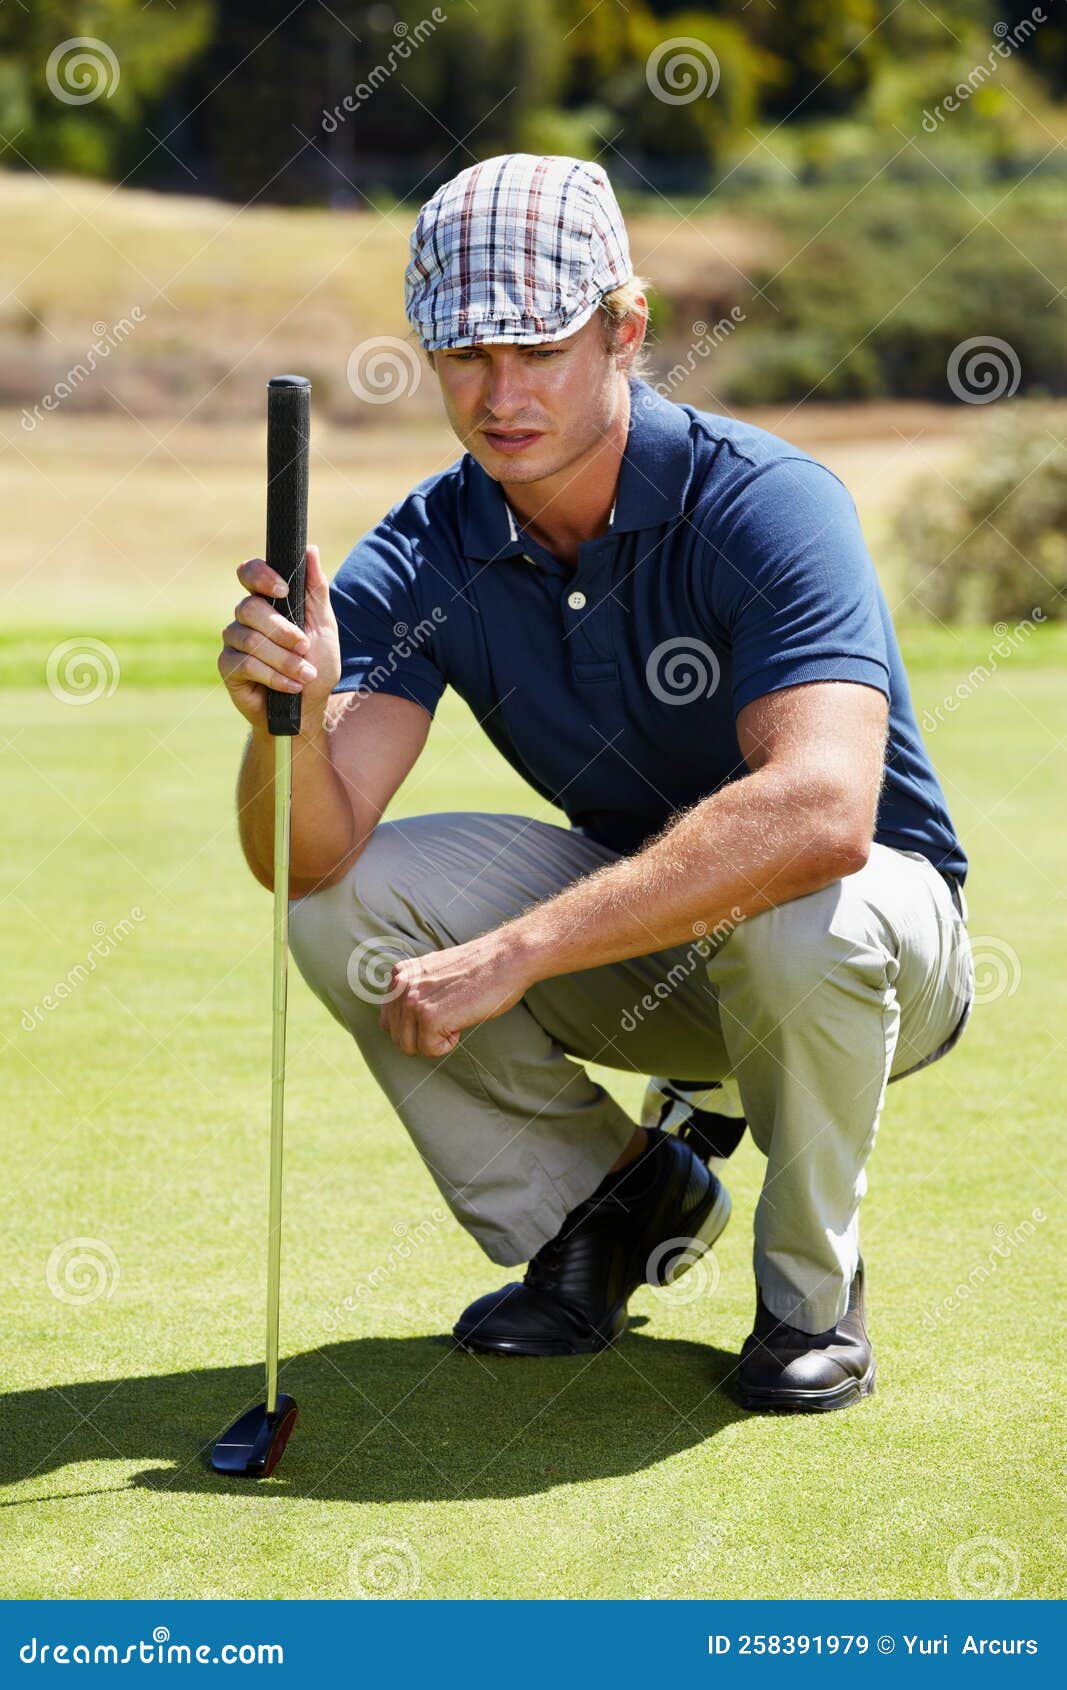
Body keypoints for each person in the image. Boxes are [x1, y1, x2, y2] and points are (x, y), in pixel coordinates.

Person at [218, 153, 973, 1413]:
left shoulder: (766, 503)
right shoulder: (428, 541)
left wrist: (515, 953)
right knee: (335, 909)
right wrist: (274, 725)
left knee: (793, 897)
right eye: (464, 355)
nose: (498, 394)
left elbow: (823, 814)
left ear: (623, 331)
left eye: (536, 348)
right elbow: (306, 855)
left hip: (870, 954)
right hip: (656, 955)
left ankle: (808, 1294)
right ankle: (619, 1202)